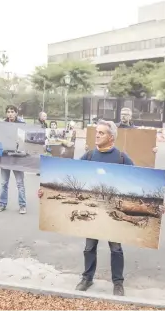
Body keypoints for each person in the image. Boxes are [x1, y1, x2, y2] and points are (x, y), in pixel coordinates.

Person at [38, 120, 134, 296]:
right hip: (92, 211)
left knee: (116, 249)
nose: (97, 135)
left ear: (111, 137)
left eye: (101, 133)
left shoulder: (122, 158)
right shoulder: (89, 156)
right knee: (89, 248)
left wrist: (158, 206)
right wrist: (44, 190)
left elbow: (138, 182)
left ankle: (118, 283)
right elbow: (67, 176)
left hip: (112, 213)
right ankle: (87, 278)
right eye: (96, 132)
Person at [0, 105, 28, 214]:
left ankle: (22, 205)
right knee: (4, 183)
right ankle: (2, 204)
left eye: (12, 111)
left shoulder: (22, 125)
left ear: (16, 113)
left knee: (20, 183)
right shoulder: (2, 124)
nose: (10, 114)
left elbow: (25, 140)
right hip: (5, 156)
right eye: (8, 111)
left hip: (17, 157)